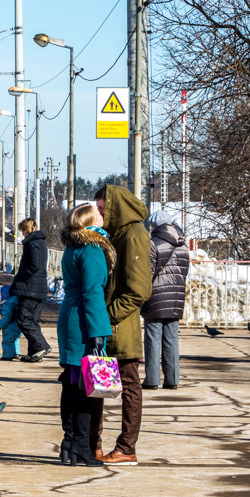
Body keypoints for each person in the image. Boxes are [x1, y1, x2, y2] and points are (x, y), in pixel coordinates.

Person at [94, 185, 152, 466]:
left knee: (128, 386)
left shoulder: (134, 234)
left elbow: (139, 290)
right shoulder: (117, 233)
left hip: (120, 327)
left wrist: (109, 317)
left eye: (103, 210)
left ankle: (126, 447)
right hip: (108, 326)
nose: (100, 215)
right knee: (98, 386)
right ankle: (94, 444)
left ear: (115, 208)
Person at [56, 202, 114, 467]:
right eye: (99, 213)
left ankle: (70, 441)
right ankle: (79, 443)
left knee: (72, 380)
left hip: (70, 314)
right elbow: (93, 293)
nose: (103, 216)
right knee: (84, 387)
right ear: (91, 220)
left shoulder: (72, 247)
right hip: (83, 318)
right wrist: (99, 331)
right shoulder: (92, 249)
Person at [142, 209, 190, 390]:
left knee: (152, 338)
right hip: (176, 297)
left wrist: (144, 295)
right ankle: (172, 380)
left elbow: (148, 272)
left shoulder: (153, 244)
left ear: (154, 226)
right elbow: (184, 271)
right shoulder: (183, 244)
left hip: (155, 296)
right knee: (171, 339)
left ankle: (152, 379)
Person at [12, 218, 51, 363]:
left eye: (23, 230)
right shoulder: (40, 243)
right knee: (32, 321)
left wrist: (21, 277)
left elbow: (35, 265)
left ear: (26, 229)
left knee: (23, 319)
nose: (22, 233)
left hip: (30, 289)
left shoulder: (34, 244)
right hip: (37, 288)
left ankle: (42, 346)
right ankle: (35, 352)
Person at [0, 284, 22, 360]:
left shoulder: (7, 305)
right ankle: (16, 353)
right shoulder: (16, 302)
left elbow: (6, 318)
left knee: (7, 341)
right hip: (19, 325)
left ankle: (7, 355)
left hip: (10, 326)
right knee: (15, 339)